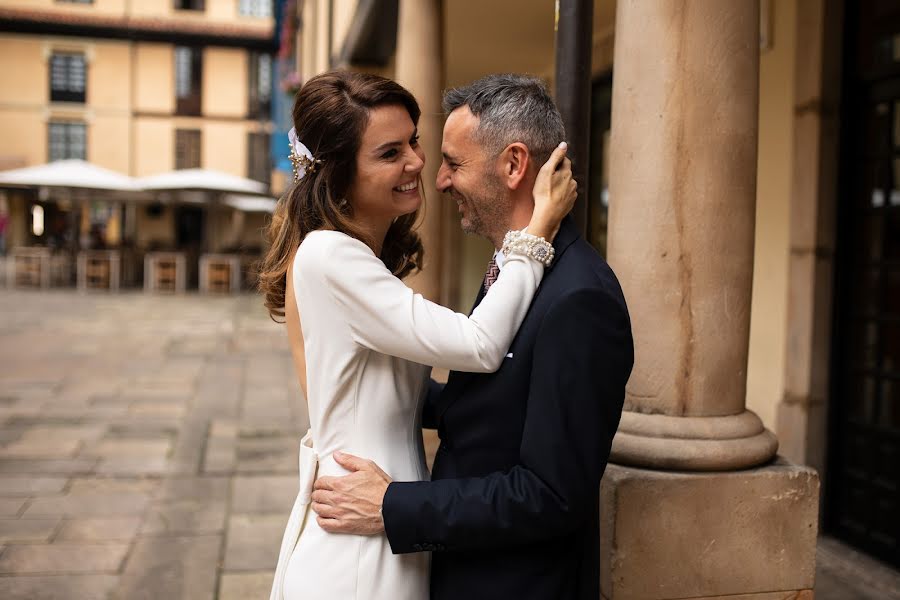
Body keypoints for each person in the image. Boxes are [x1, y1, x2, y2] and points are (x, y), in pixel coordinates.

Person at [310, 74, 634, 599]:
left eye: (453, 163)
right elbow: (487, 403)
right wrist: (362, 387)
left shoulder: (580, 300)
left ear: (513, 165)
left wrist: (393, 506)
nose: (436, 180)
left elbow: (550, 495)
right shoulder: (514, 268)